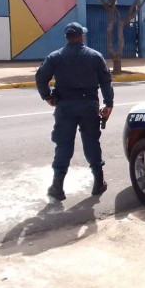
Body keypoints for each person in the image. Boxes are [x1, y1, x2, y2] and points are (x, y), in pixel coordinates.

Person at [35, 22, 114, 201]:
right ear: (82, 36)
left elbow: (40, 78)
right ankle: (98, 182)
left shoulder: (55, 56)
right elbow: (105, 82)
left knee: (63, 145)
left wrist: (47, 97)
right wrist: (109, 104)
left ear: (66, 37)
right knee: (91, 143)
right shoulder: (95, 56)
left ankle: (57, 187)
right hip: (88, 106)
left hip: (65, 107)